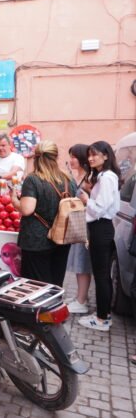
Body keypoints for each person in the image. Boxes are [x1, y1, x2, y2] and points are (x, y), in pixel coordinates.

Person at [10, 140, 76, 286]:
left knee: (37, 286)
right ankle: (55, 307)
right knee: (55, 283)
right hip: (61, 238)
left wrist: (15, 201)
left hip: (37, 240)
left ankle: (42, 309)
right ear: (56, 157)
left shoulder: (33, 179)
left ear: (36, 158)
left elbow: (27, 209)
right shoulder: (68, 179)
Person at [77, 141, 120, 331]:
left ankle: (103, 319)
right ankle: (103, 315)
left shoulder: (107, 177)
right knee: (101, 275)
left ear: (106, 155)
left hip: (101, 228)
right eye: (89, 155)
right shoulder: (102, 176)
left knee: (102, 276)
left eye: (95, 154)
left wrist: (86, 200)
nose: (91, 158)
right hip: (100, 228)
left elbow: (100, 209)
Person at [65, 144, 93, 314]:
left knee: (82, 262)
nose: (71, 160)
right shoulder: (78, 176)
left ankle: (81, 301)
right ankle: (80, 296)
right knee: (78, 261)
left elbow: (91, 200)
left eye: (74, 156)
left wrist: (85, 198)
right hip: (77, 223)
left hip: (84, 224)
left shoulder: (89, 178)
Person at [0, 134, 26, 198]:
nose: (0, 148)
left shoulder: (18, 158)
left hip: (10, 198)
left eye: (3, 145)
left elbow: (13, 173)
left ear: (10, 145)